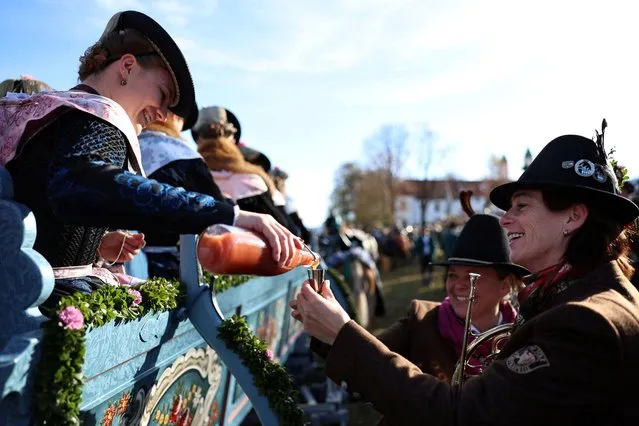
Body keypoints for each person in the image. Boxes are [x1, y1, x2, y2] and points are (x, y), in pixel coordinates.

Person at [291, 127, 639, 424]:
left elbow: (459, 416)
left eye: (522, 206)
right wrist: (336, 333)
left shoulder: (585, 320)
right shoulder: (577, 294)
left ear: (573, 217)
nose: (504, 220)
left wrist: (341, 333)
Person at [0, 11, 300, 304]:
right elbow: (76, 187)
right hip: (45, 304)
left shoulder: (50, 114)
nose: (161, 113)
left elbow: (41, 206)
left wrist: (95, 245)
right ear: (127, 67)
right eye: (162, 93)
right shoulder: (100, 117)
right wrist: (229, 214)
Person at [138, 108, 229, 279]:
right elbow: (215, 213)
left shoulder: (125, 144)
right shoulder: (180, 152)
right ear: (174, 116)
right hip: (166, 268)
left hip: (115, 264)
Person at [191, 106, 296, 231]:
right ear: (232, 139)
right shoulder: (252, 181)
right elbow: (288, 231)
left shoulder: (183, 179)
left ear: (198, 140)